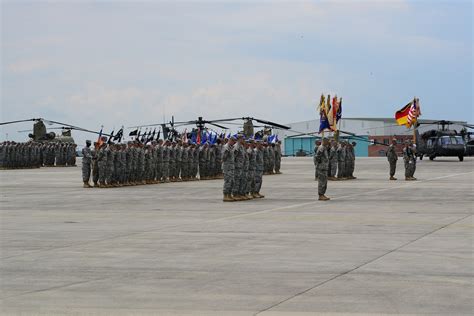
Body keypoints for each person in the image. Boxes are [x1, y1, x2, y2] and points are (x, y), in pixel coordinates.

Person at [222, 136, 236, 202]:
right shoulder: (226, 147)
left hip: (231, 167)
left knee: (232, 181)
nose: (234, 142)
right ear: (230, 140)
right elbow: (223, 158)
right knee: (228, 181)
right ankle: (225, 195)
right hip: (227, 167)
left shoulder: (231, 147)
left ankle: (229, 195)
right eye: (233, 141)